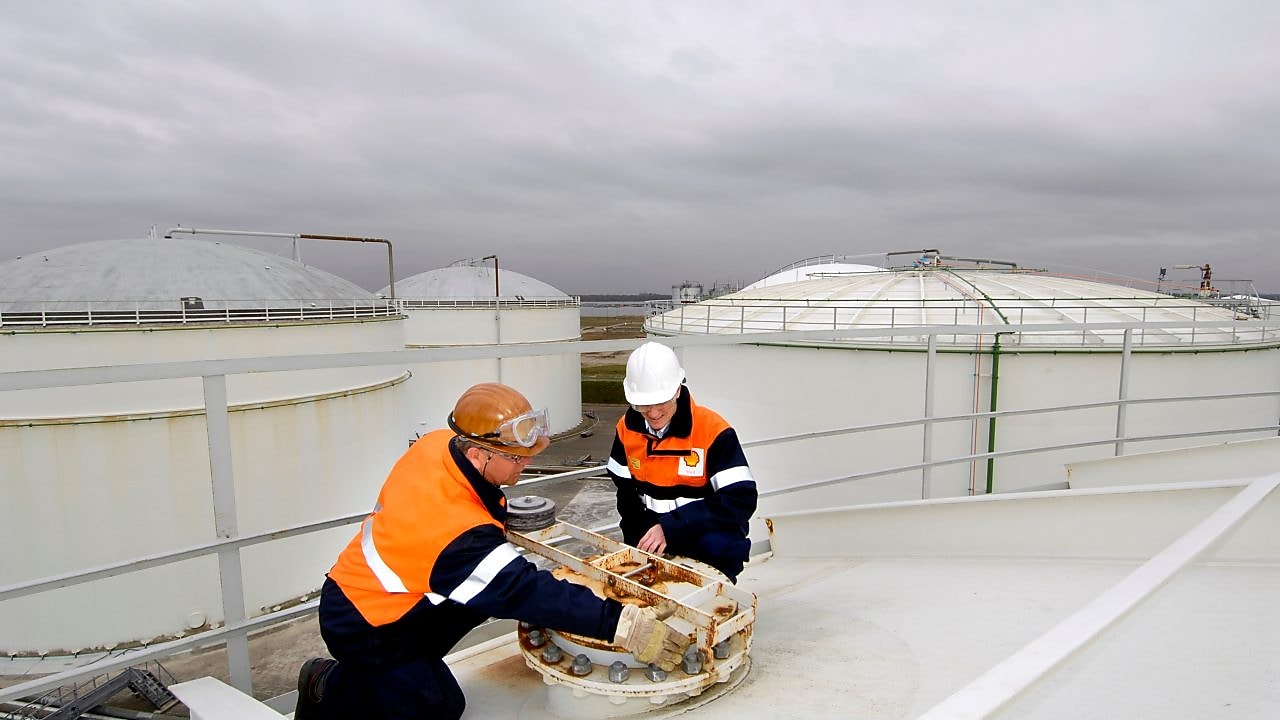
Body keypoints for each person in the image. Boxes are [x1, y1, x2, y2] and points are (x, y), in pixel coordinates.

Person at [295, 382, 688, 720]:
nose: (528, 463)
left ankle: (401, 669)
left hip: (379, 592)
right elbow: (522, 589)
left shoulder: (440, 445)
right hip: (367, 626)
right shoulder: (452, 531)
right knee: (439, 705)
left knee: (487, 597)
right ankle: (325, 683)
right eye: (517, 458)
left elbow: (474, 516)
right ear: (479, 454)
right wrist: (621, 623)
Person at [607, 342, 758, 582]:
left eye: (661, 403)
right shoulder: (626, 430)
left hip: (708, 541)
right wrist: (640, 540)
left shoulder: (713, 431)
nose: (653, 413)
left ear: (678, 390)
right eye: (644, 406)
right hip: (654, 538)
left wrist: (670, 528)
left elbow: (740, 500)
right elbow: (625, 494)